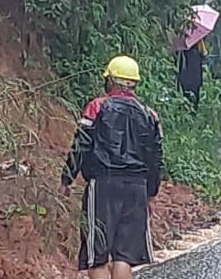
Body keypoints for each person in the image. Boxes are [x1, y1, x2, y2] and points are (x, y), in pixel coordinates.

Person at [61, 55, 163, 279]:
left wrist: (67, 178)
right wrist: (151, 193)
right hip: (137, 188)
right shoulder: (149, 115)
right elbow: (156, 158)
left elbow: (81, 144)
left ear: (111, 81)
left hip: (104, 185)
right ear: (133, 83)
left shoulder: (97, 107)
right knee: (123, 257)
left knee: (97, 256)